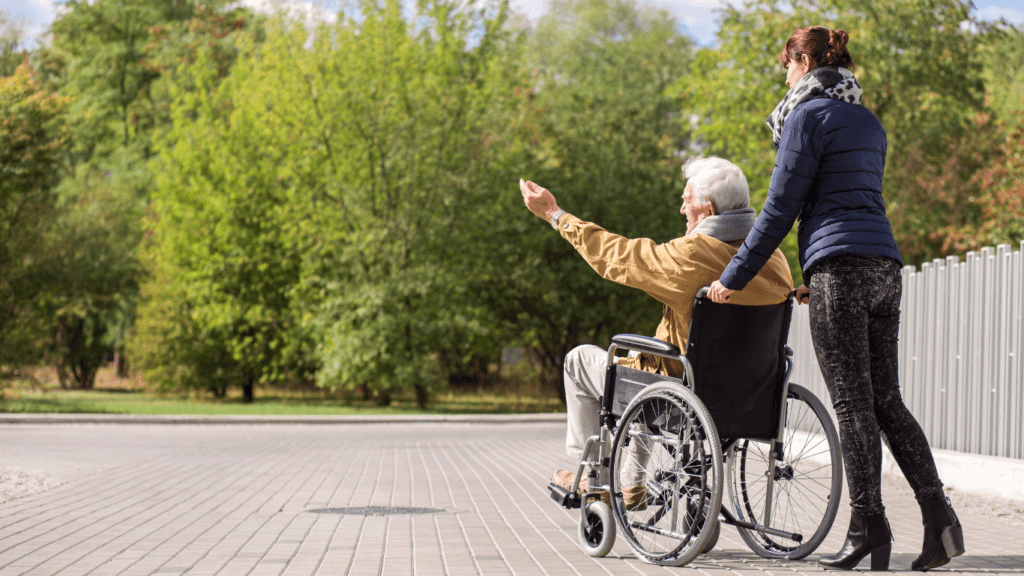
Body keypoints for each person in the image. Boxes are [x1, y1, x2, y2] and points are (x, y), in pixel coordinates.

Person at [707, 26, 964, 571]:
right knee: (886, 400)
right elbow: (847, 199)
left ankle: (868, 525)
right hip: (884, 267)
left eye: (786, 63)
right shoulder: (869, 121)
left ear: (803, 61)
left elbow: (781, 208)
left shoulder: (805, 117)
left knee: (851, 404)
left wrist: (733, 276)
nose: (783, 73)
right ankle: (940, 518)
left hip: (840, 270)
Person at [518, 156, 793, 508]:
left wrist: (556, 215)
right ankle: (631, 485)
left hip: (683, 396)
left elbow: (616, 255)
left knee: (582, 361)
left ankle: (593, 475)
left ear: (707, 210)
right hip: (753, 397)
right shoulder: (775, 260)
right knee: (652, 365)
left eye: (686, 199)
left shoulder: (690, 256)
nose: (681, 209)